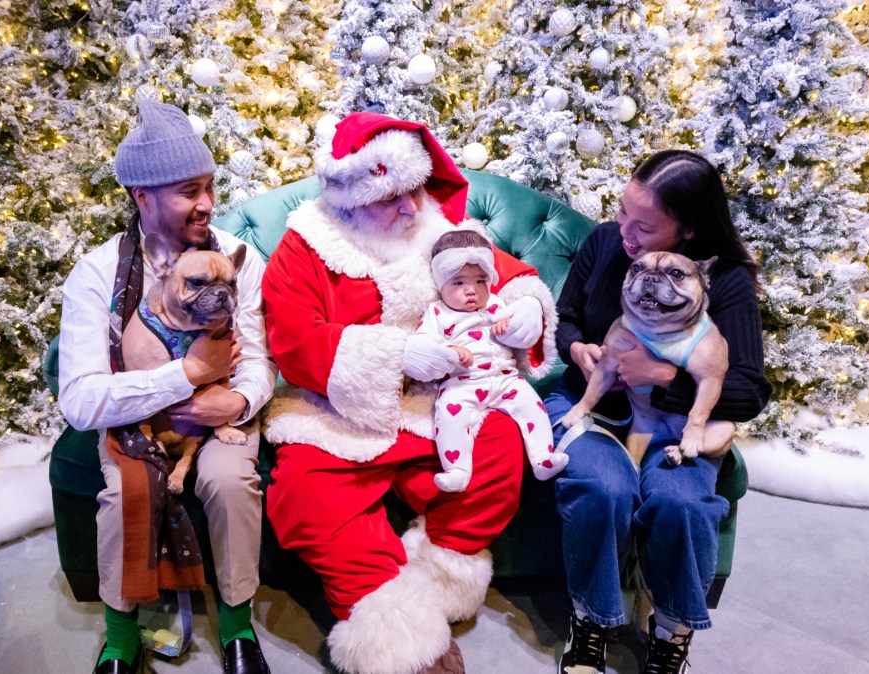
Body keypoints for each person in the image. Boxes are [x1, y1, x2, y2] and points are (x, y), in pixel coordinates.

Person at [260, 112, 559, 674]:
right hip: (338, 412)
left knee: (499, 442)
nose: (410, 208)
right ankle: (394, 623)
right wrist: (394, 355)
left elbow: (507, 274)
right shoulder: (306, 247)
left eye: (416, 190)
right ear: (348, 201)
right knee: (304, 495)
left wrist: (524, 311)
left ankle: (442, 570)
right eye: (390, 198)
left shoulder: (439, 227)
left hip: (439, 400)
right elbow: (294, 341)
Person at [58, 100, 277, 674]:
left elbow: (258, 356)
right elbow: (80, 401)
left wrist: (241, 397)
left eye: (208, 186)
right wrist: (185, 375)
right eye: (188, 191)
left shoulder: (233, 259)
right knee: (123, 494)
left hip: (218, 416)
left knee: (233, 482)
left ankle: (236, 627)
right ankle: (120, 635)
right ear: (142, 197)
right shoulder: (98, 273)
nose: (206, 204)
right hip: (137, 424)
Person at [549, 150, 772, 674]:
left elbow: (749, 391)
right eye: (623, 212)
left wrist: (664, 379)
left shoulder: (728, 280)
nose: (625, 231)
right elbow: (567, 318)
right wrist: (576, 349)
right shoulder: (605, 242)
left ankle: (671, 631)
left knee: (683, 502)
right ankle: (592, 620)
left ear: (689, 231)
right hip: (593, 406)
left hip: (676, 424)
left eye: (644, 226)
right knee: (604, 488)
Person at [419, 229, 567, 492]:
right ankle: (457, 470)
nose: (472, 291)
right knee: (450, 414)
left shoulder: (496, 304)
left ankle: (542, 458)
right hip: (462, 383)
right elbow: (423, 344)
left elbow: (518, 333)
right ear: (440, 285)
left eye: (480, 281)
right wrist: (449, 350)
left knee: (532, 405)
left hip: (505, 379)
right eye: (458, 283)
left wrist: (508, 327)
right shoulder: (436, 313)